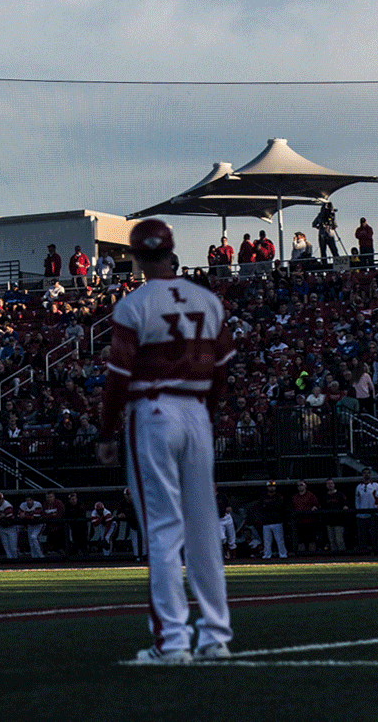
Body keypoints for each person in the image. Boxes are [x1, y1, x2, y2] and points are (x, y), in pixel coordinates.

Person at [96, 218, 234, 663]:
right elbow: (222, 367)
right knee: (204, 529)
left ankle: (172, 641)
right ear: (173, 252)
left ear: (136, 256)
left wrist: (106, 431)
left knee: (162, 529)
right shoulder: (207, 299)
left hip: (153, 412)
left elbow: (118, 376)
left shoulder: (133, 304)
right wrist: (205, 413)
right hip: (195, 411)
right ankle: (215, 637)